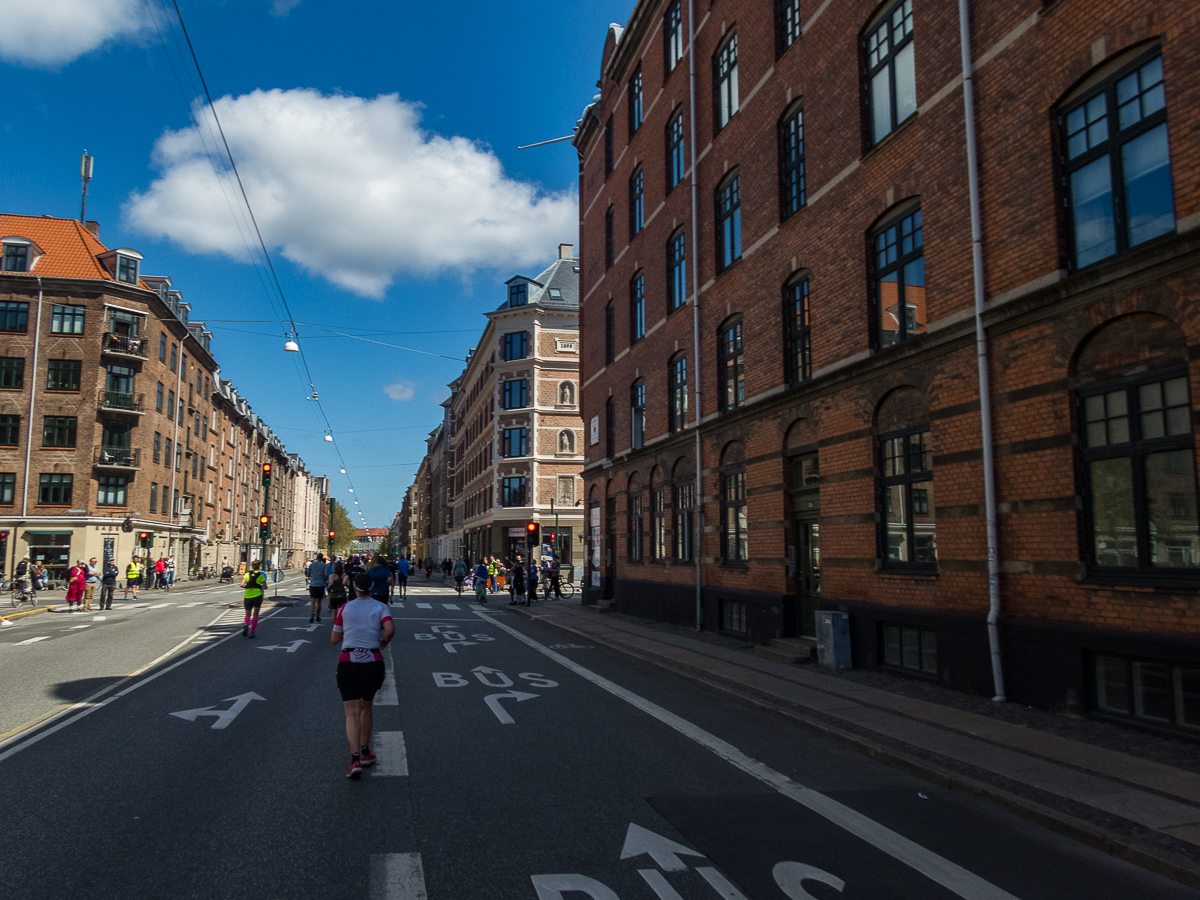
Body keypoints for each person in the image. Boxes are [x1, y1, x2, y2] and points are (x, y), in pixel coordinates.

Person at [332, 572, 395, 779]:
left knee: (351, 712)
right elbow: (390, 628)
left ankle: (355, 759)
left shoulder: (345, 608)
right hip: (373, 661)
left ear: (355, 588)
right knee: (366, 706)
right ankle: (366, 750)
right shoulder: (381, 607)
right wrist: (384, 641)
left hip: (348, 661)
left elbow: (334, 639)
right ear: (371, 588)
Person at [241, 560, 267, 638]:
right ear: (259, 566)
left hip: (248, 596)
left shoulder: (247, 574)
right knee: (255, 614)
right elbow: (265, 587)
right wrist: (263, 587)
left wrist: (246, 587)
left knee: (247, 613)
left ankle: (246, 625)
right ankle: (252, 631)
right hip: (257, 596)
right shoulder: (261, 575)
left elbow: (241, 584)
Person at [307, 553, 329, 624]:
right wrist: (324, 579)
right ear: (322, 558)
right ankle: (317, 616)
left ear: (316, 558)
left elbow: (308, 574)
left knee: (313, 600)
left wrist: (312, 575)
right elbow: (325, 574)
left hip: (313, 584)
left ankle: (312, 613)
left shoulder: (311, 565)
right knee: (319, 601)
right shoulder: (324, 565)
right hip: (320, 585)